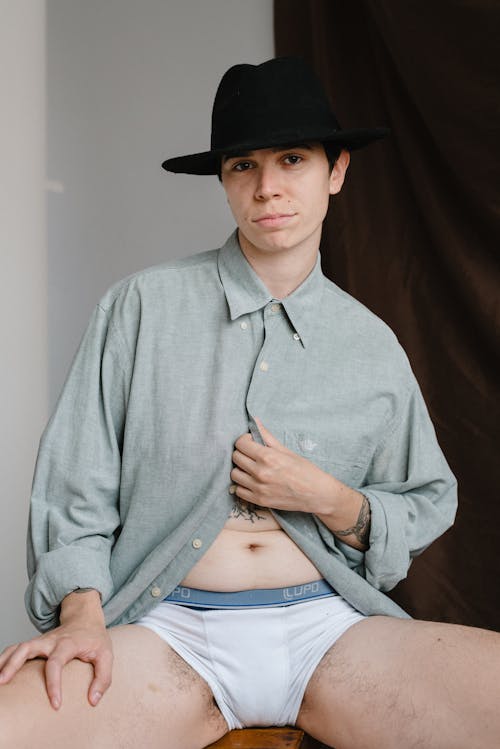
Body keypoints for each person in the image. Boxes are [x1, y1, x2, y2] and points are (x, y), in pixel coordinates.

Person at [0, 56, 498, 749]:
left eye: (291, 159)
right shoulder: (139, 308)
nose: (267, 188)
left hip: (331, 629)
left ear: (337, 170)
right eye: (243, 165)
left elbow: (425, 497)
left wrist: (332, 499)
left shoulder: (371, 345)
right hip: (167, 629)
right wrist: (81, 613)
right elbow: (74, 490)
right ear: (226, 181)